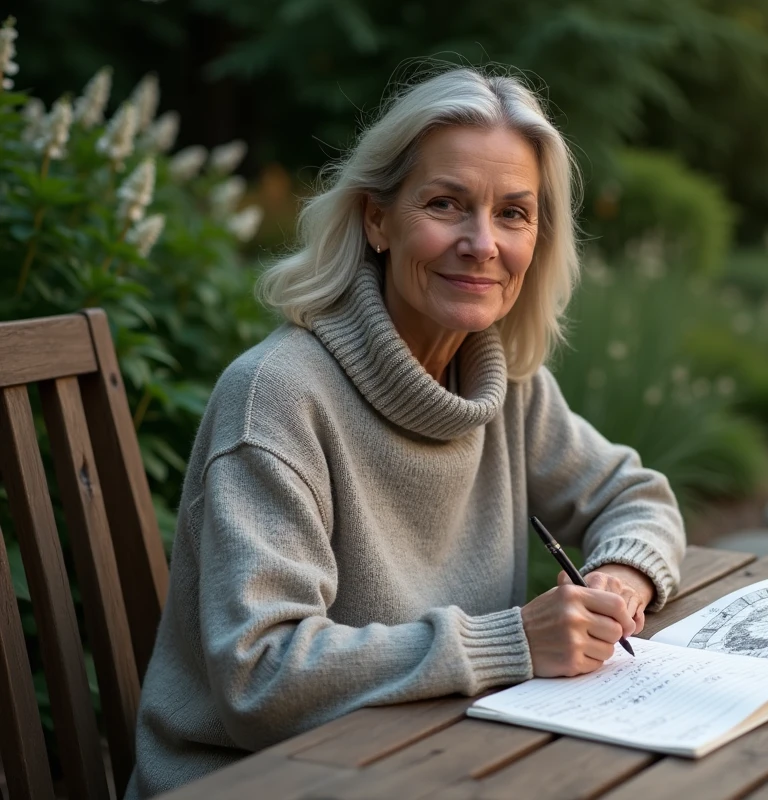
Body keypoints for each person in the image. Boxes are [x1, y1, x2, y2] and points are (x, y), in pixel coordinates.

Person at [126, 67, 686, 798]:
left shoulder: (503, 383)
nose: (482, 243)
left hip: (435, 761)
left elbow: (637, 497)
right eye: (446, 203)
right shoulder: (276, 397)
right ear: (376, 219)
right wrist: (512, 641)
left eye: (514, 213)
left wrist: (622, 576)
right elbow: (260, 672)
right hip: (258, 781)